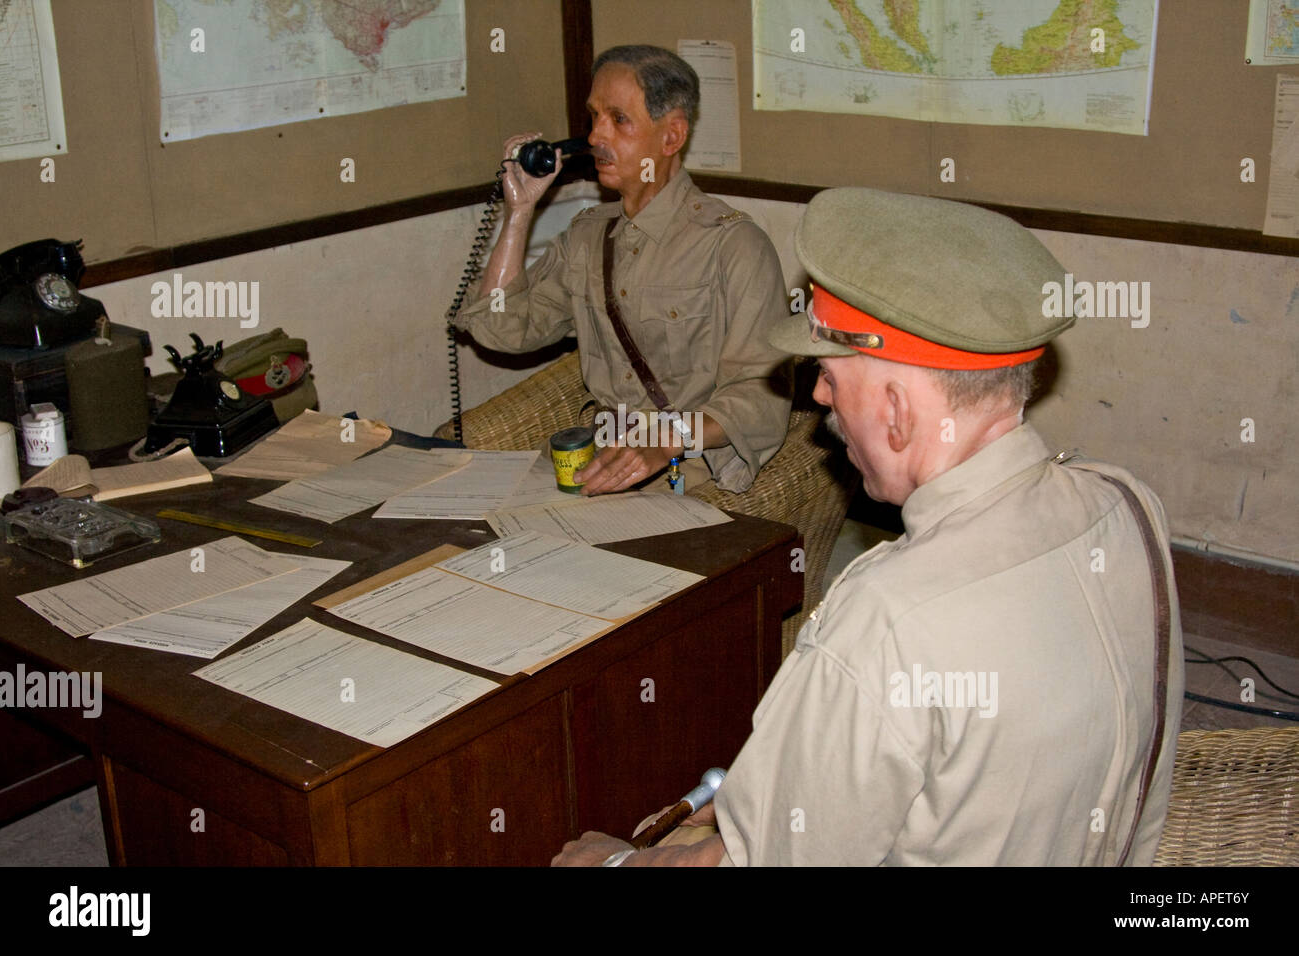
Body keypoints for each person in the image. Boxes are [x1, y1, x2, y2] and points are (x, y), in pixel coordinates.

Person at [552, 187, 1184, 866]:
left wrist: (618, 863)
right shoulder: (1131, 506)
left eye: (827, 375)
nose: (819, 397)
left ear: (897, 409)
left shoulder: (886, 620)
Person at [455, 45, 791, 496]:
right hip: (602, 454)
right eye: (594, 117)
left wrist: (660, 444)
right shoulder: (588, 236)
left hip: (684, 468)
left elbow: (760, 398)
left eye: (618, 119)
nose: (596, 136)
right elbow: (499, 328)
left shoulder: (732, 246)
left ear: (670, 138)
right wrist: (519, 212)